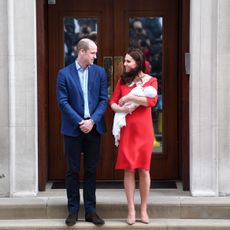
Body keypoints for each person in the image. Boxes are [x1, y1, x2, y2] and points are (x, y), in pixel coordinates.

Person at [56, 38, 108, 226]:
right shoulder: (64, 74)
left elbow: (103, 100)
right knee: (72, 171)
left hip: (94, 129)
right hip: (72, 129)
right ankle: (73, 211)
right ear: (82, 52)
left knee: (91, 170)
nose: (95, 56)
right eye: (93, 52)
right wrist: (80, 122)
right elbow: (63, 102)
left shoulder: (100, 72)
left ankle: (91, 211)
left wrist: (92, 121)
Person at [109, 48, 158, 225]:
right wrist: (120, 108)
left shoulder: (151, 81)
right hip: (127, 130)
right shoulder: (122, 80)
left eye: (128, 61)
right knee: (129, 169)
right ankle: (131, 210)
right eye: (125, 61)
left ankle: (143, 210)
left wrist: (131, 97)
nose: (125, 64)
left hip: (144, 131)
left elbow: (151, 101)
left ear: (138, 63)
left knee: (144, 169)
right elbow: (113, 101)